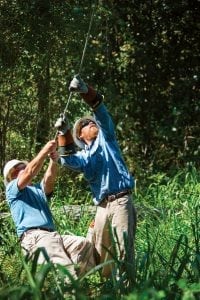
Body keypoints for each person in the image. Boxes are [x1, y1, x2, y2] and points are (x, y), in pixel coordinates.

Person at [55, 75, 137, 282]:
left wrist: (84, 90)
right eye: (86, 124)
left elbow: (99, 108)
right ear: (80, 136)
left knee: (124, 249)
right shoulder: (83, 158)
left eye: (92, 122)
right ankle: (107, 290)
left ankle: (129, 290)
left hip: (120, 201)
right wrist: (63, 132)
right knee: (101, 255)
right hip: (101, 207)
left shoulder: (107, 138)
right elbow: (66, 159)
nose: (92, 123)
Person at [3, 140, 95, 281]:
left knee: (83, 244)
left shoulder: (37, 190)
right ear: (11, 177)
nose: (22, 169)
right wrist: (45, 150)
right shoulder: (12, 190)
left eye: (23, 166)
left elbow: (49, 181)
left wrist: (53, 160)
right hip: (35, 237)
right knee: (66, 270)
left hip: (52, 236)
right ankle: (71, 290)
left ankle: (75, 287)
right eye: (17, 169)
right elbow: (30, 172)